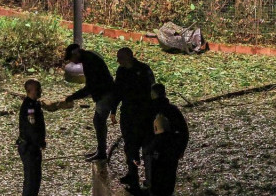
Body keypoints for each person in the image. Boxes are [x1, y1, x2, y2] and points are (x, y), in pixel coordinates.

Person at [62, 44, 117, 161]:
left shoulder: (89, 62)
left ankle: (102, 153)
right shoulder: (89, 57)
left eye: (71, 58)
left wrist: (72, 97)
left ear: (76, 54)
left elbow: (90, 87)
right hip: (105, 92)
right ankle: (101, 150)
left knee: (99, 121)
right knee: (99, 121)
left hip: (105, 93)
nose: (72, 62)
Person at [113, 47, 156, 187]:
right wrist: (113, 110)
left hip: (143, 114)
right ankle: (133, 174)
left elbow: (151, 90)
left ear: (129, 57)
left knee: (146, 146)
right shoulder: (121, 72)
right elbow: (117, 91)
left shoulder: (143, 70)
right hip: (128, 113)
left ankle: (150, 178)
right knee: (130, 146)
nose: (118, 61)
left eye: (120, 58)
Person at [17, 79, 54, 196]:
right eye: (37, 89)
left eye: (40, 88)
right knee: (30, 179)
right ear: (29, 91)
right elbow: (31, 129)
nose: (40, 91)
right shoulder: (29, 107)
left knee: (36, 178)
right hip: (29, 147)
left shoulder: (35, 105)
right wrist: (39, 142)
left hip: (34, 147)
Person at [151, 83, 189, 158]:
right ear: (165, 94)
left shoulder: (149, 111)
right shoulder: (173, 110)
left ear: (152, 94)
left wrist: (134, 153)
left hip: (154, 152)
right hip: (172, 150)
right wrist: (181, 149)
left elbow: (140, 132)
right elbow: (184, 131)